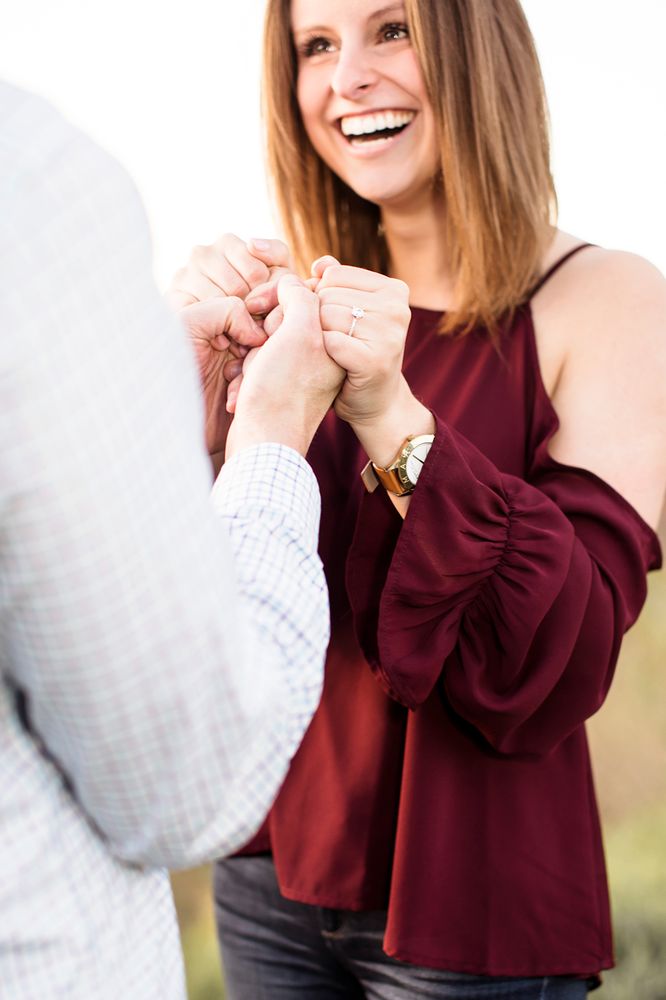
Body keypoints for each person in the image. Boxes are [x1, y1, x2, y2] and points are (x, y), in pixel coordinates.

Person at [171, 0, 666, 996]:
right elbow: (185, 589)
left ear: (479, 50)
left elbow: (565, 648)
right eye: (316, 45)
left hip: (470, 899)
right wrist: (187, 394)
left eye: (390, 29)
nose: (346, 76)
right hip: (269, 861)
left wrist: (392, 411)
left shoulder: (608, 298)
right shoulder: (289, 307)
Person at [0, 79, 345, 999]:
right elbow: (186, 782)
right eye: (315, 44)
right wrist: (268, 446)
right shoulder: (32, 182)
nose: (350, 76)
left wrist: (147, 399)